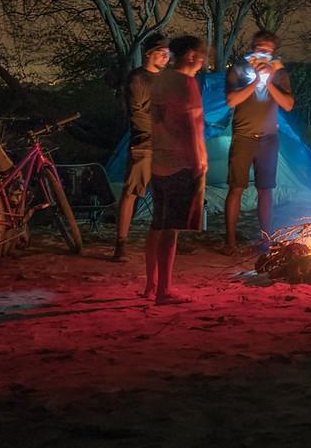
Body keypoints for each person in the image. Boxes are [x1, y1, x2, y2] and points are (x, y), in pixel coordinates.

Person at [145, 35, 207, 304]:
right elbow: (192, 125)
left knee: (158, 224)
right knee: (171, 229)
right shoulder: (186, 83)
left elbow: (156, 119)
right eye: (201, 55)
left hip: (159, 161)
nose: (203, 60)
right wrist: (199, 161)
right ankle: (164, 291)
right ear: (191, 55)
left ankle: (151, 285)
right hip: (181, 163)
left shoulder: (161, 80)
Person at [222, 29, 295, 253]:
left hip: (268, 139)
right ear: (253, 48)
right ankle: (231, 241)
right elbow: (231, 100)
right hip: (243, 137)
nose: (264, 55)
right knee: (236, 188)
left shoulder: (280, 75)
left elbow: (288, 105)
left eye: (269, 51)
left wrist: (270, 81)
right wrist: (255, 81)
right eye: (260, 49)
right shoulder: (238, 69)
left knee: (266, 189)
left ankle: (266, 238)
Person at [112, 34, 171, 262]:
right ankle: (121, 243)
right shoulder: (137, 79)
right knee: (131, 193)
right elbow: (138, 114)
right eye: (162, 53)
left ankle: (159, 244)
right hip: (144, 144)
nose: (166, 57)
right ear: (149, 53)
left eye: (168, 54)